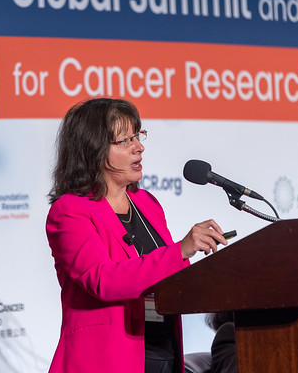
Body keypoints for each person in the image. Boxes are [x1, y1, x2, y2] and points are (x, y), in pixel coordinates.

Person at [46, 98, 228, 373]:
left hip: (163, 352)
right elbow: (103, 280)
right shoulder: (70, 211)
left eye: (137, 136)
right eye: (124, 141)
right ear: (93, 150)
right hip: (106, 360)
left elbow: (166, 275)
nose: (138, 147)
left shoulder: (147, 203)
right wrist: (180, 250)